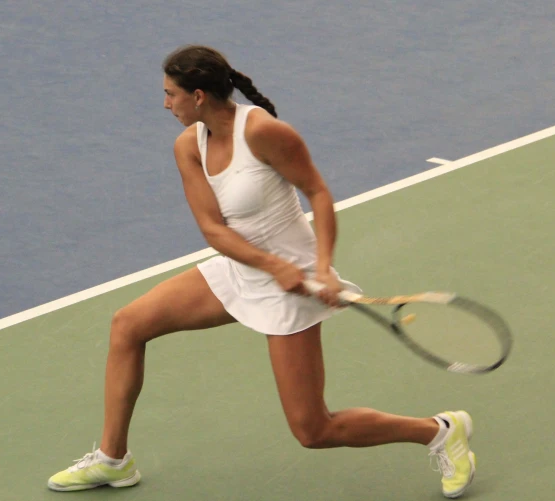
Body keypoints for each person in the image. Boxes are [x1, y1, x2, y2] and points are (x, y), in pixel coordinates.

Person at [47, 45, 475, 498]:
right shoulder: (188, 145)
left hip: (291, 290)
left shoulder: (267, 133)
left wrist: (323, 268)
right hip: (242, 271)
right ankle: (114, 460)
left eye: (170, 94)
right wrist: (271, 265)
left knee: (314, 430)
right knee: (128, 325)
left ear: (197, 96)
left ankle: (439, 430)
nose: (165, 104)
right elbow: (214, 230)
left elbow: (320, 193)